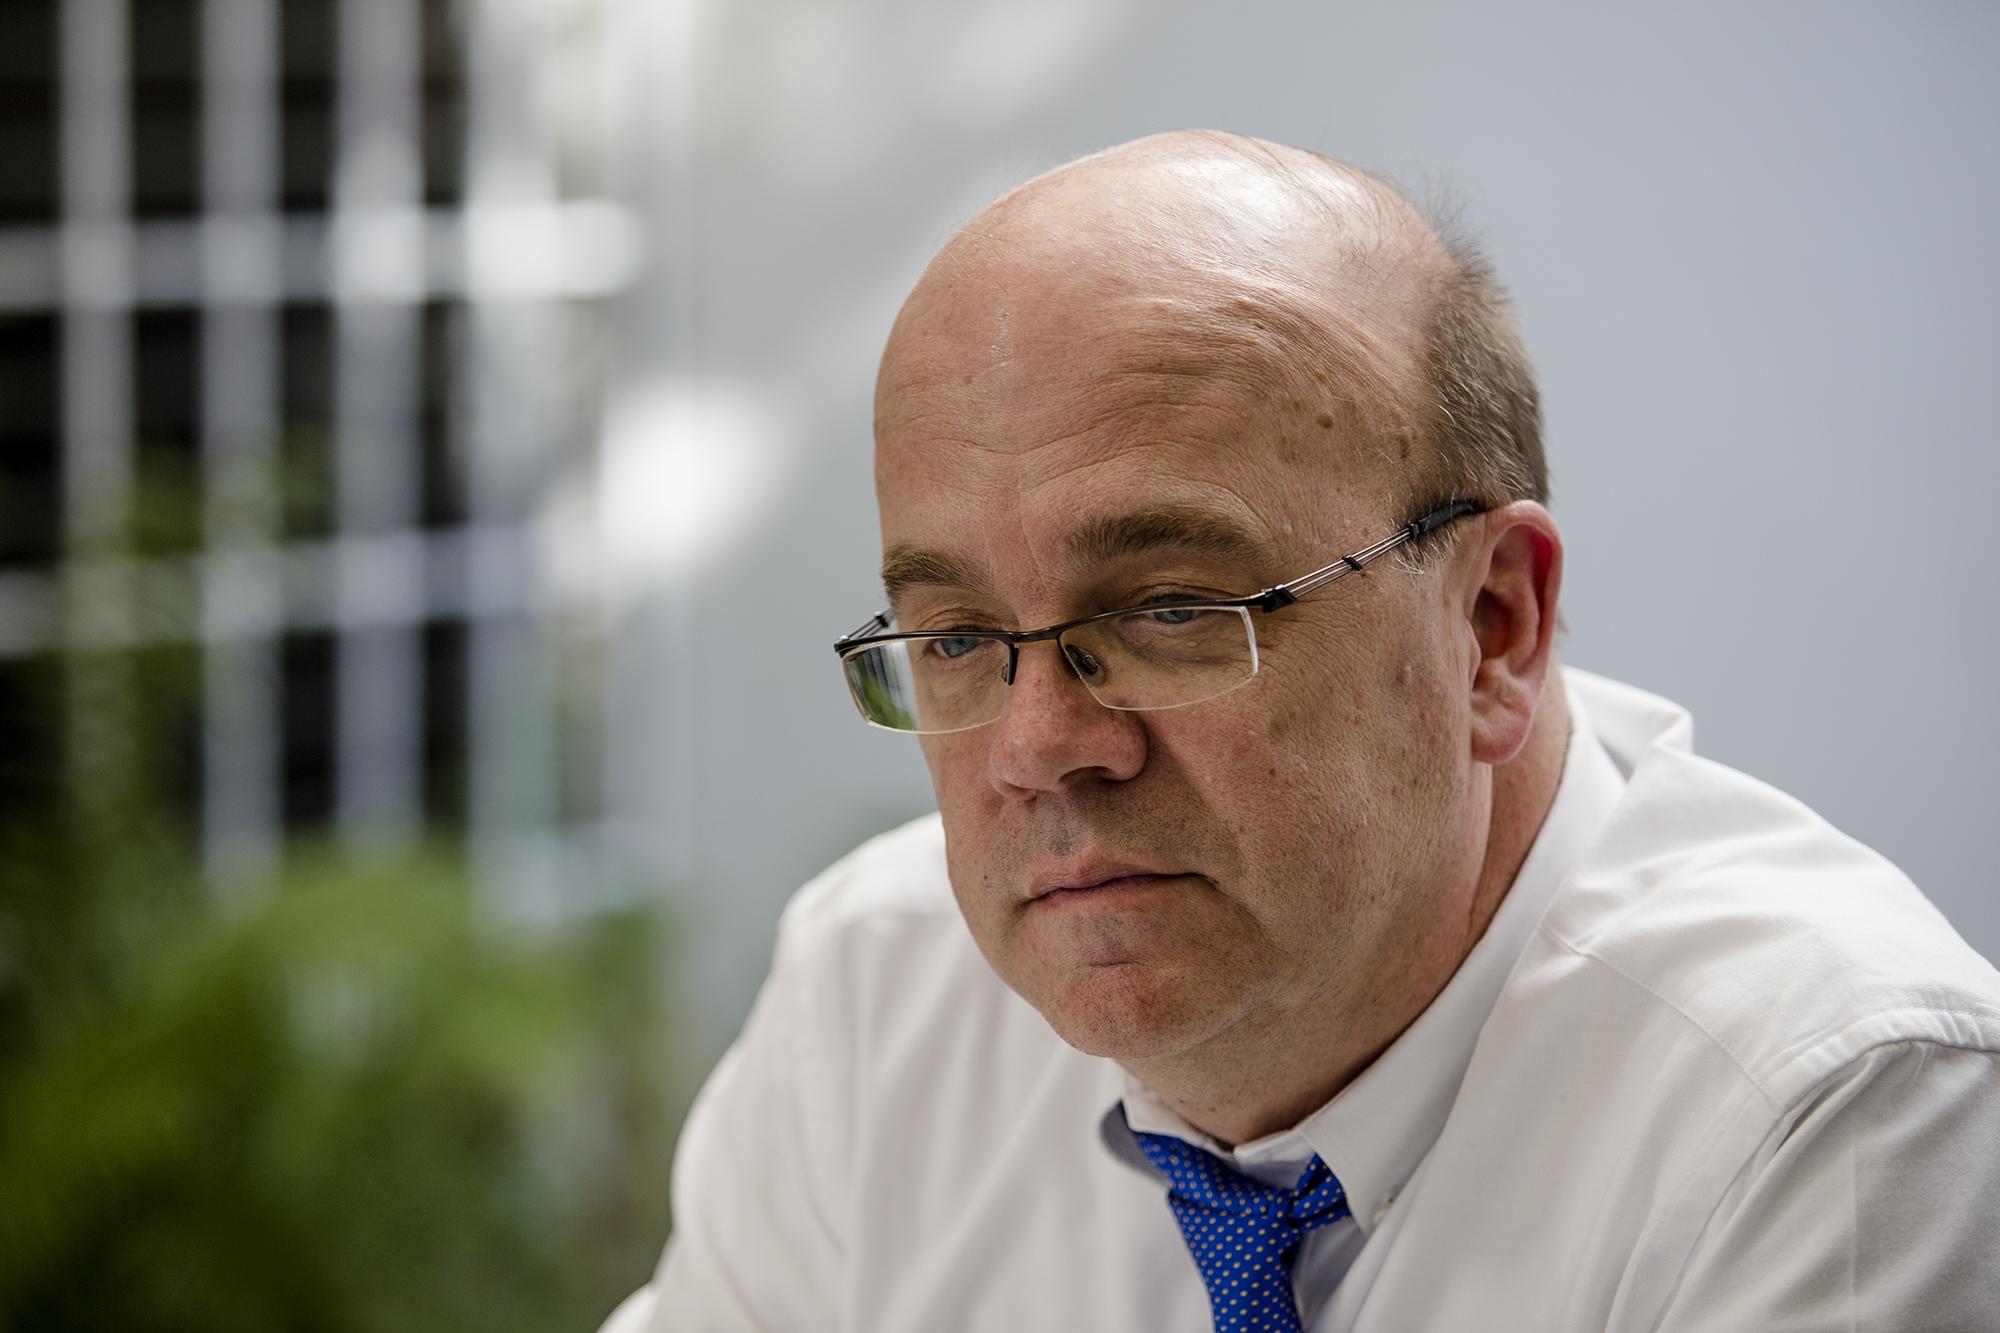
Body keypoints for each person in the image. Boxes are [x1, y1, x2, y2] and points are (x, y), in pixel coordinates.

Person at [604, 131, 2000, 1332]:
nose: (1039, 744)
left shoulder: (1838, 1106)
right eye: (959, 637)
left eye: (1166, 605)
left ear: (1494, 627)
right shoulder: (879, 994)